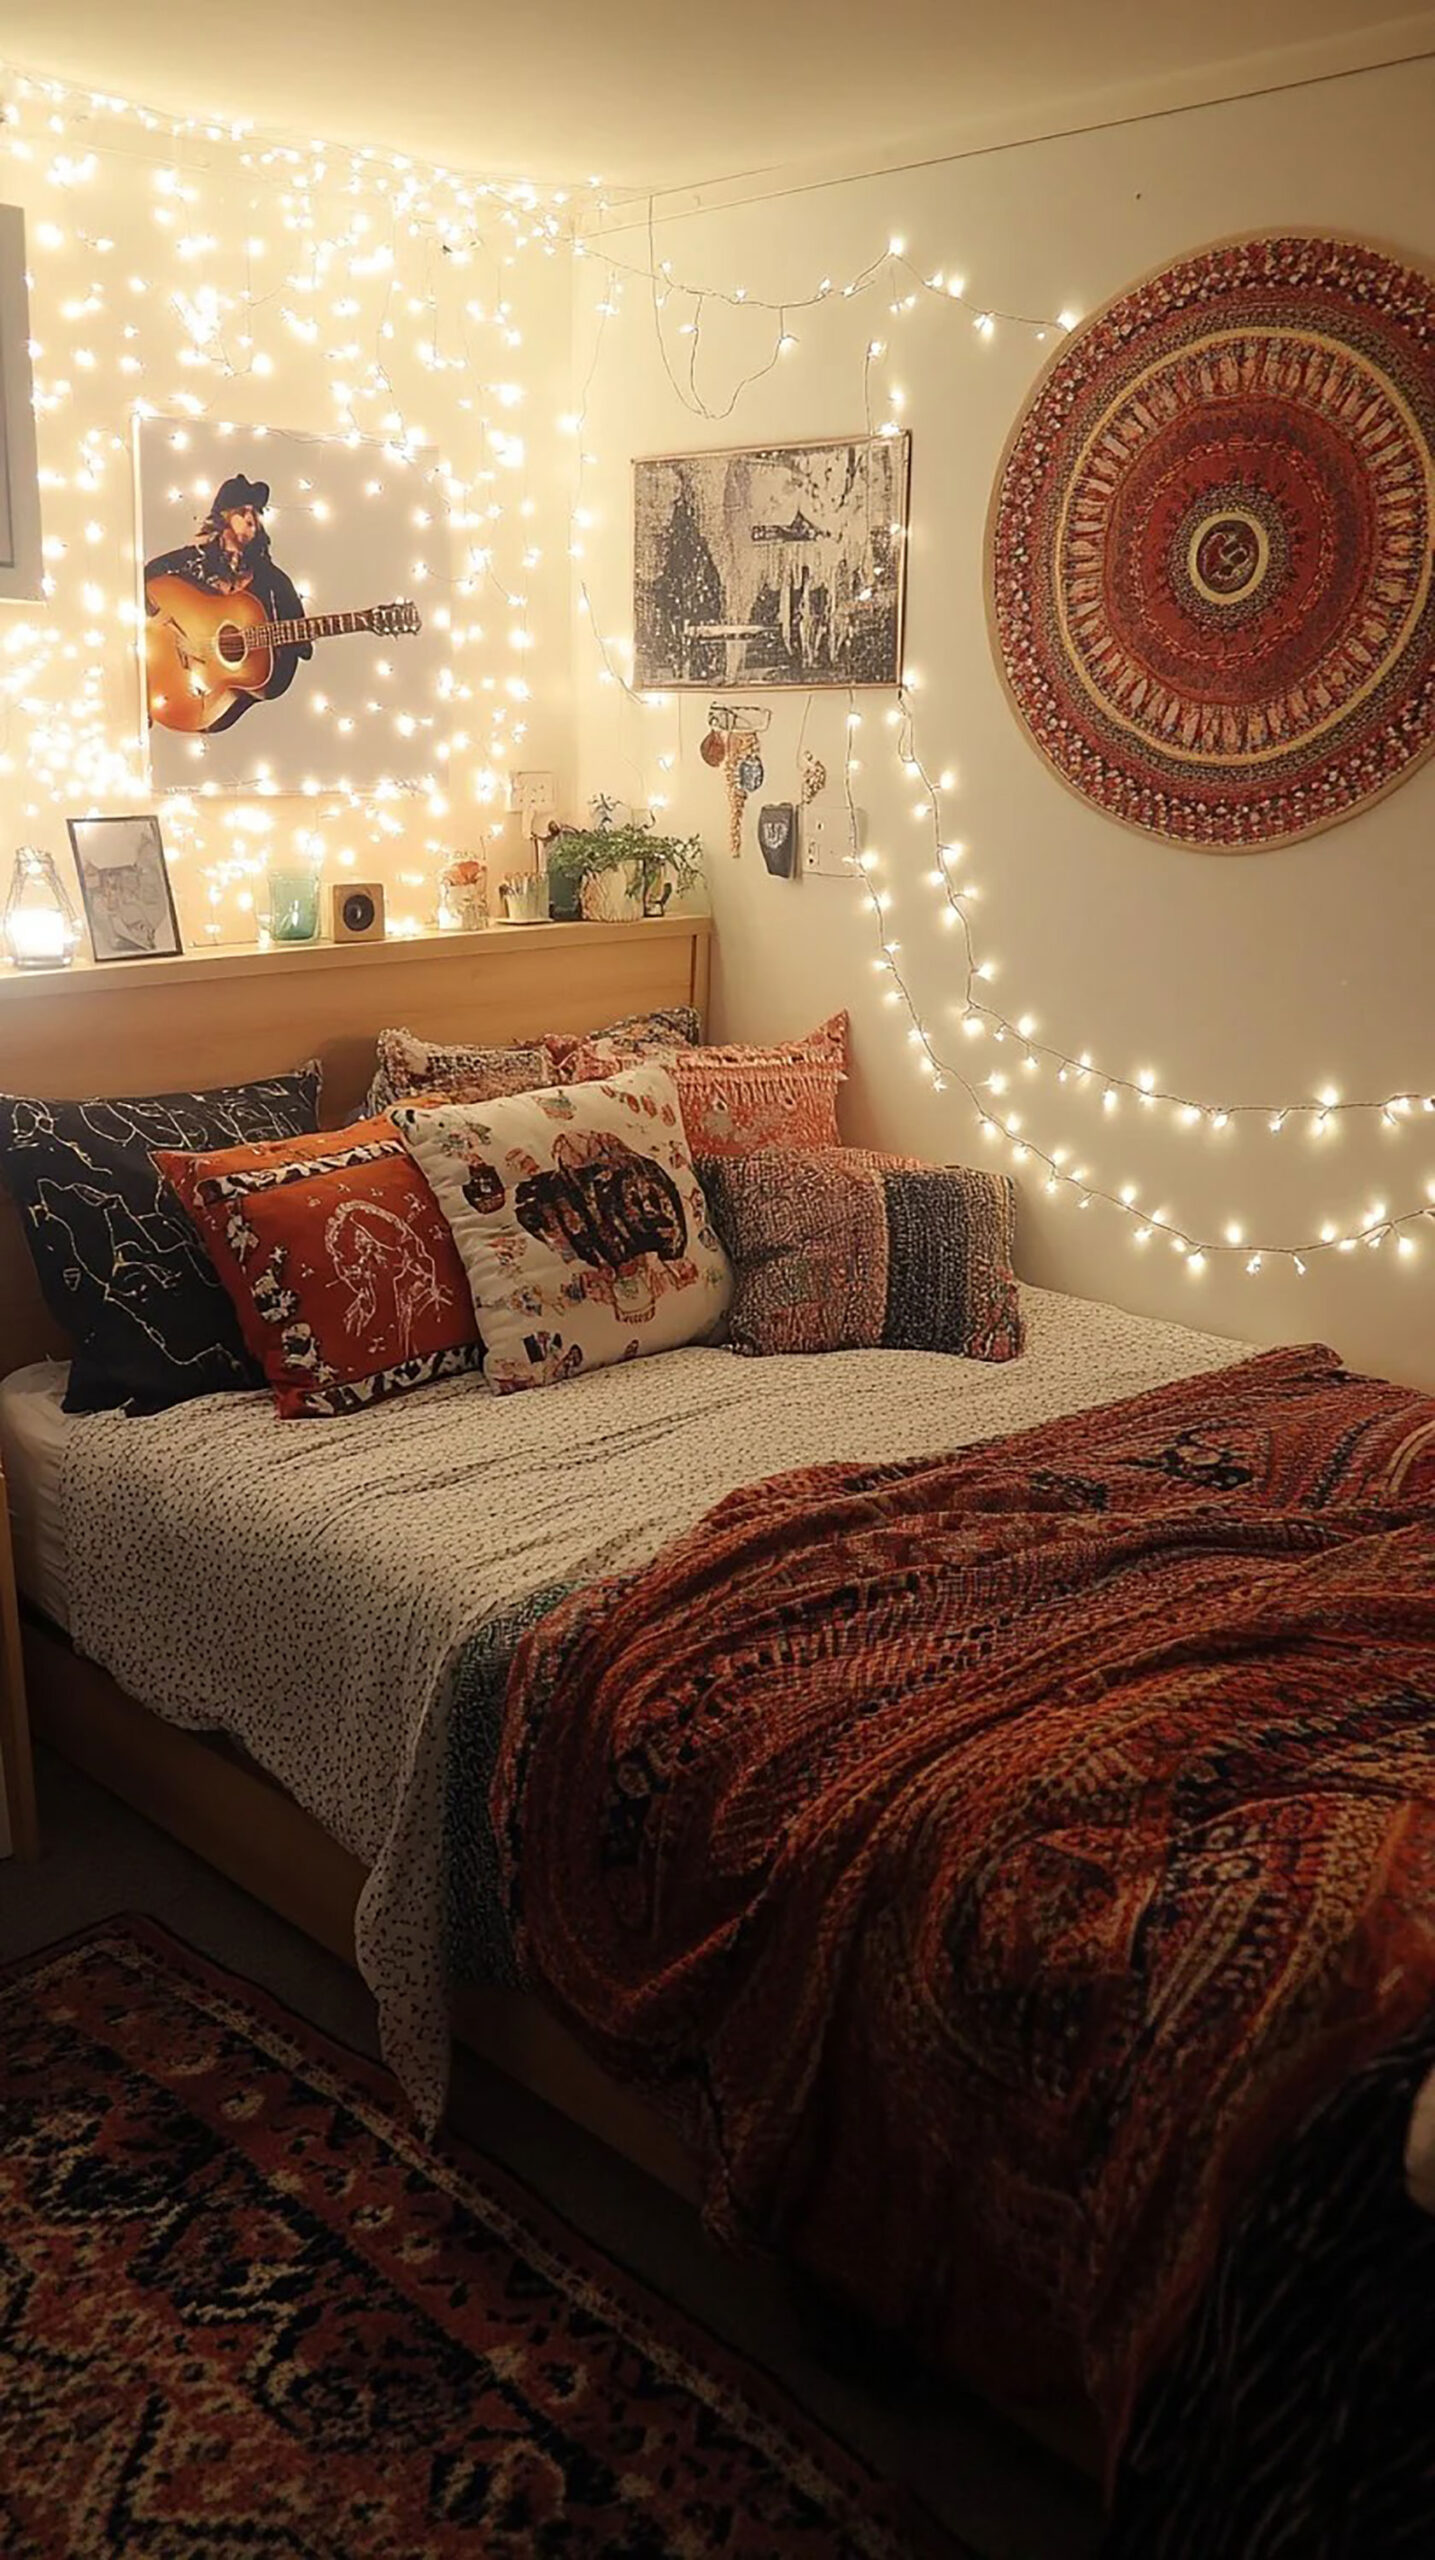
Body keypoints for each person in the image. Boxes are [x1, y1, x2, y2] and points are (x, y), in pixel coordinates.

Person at [144, 474, 312, 732]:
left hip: (218, 693)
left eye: (256, 513)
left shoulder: (271, 580)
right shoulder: (193, 560)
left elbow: (301, 644)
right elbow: (146, 578)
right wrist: (162, 618)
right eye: (243, 511)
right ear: (224, 516)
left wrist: (295, 640)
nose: (251, 519)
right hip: (177, 673)